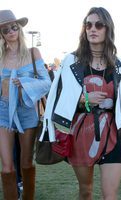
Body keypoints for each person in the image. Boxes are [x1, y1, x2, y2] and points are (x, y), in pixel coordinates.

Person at [42, 7, 121, 199]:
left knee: (110, 195)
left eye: (98, 25)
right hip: (81, 132)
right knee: (86, 191)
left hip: (112, 133)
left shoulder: (120, 65)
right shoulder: (71, 60)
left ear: (108, 29)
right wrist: (84, 99)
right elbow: (57, 96)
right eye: (88, 25)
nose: (92, 29)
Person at [0, 10, 51, 200]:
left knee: (26, 162)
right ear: (1, 34)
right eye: (5, 30)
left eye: (14, 27)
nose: (11, 31)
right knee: (6, 166)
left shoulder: (32, 53)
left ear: (19, 29)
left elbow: (47, 82)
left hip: (27, 110)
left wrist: (26, 83)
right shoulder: (0, 56)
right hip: (3, 110)